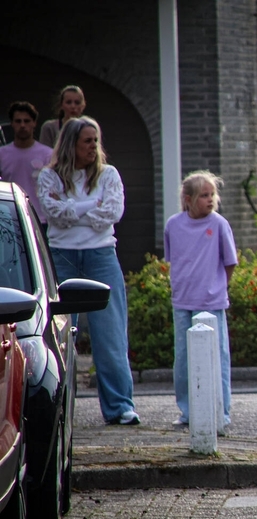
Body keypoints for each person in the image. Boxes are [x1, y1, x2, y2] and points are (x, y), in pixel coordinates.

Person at [36, 116, 140, 426]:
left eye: (96, 140)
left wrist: (73, 208)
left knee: (110, 334)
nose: (93, 146)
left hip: (101, 257)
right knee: (61, 335)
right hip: (62, 257)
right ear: (71, 144)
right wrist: (90, 205)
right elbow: (53, 214)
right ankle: (59, 410)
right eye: (87, 141)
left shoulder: (109, 175)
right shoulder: (49, 176)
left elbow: (112, 213)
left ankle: (120, 407)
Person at [164, 171, 237, 429]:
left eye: (212, 195)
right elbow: (173, 259)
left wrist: (217, 287)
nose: (210, 200)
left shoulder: (218, 224)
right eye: (204, 195)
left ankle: (221, 411)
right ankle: (187, 411)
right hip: (183, 301)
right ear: (188, 199)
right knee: (183, 359)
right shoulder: (173, 224)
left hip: (212, 304)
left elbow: (230, 262)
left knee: (217, 359)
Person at [0, 101, 52, 230]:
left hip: (42, 220)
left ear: (34, 123)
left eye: (27, 121)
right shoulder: (2, 154)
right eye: (18, 121)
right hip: (11, 221)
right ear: (12, 123)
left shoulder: (48, 155)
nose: (22, 125)